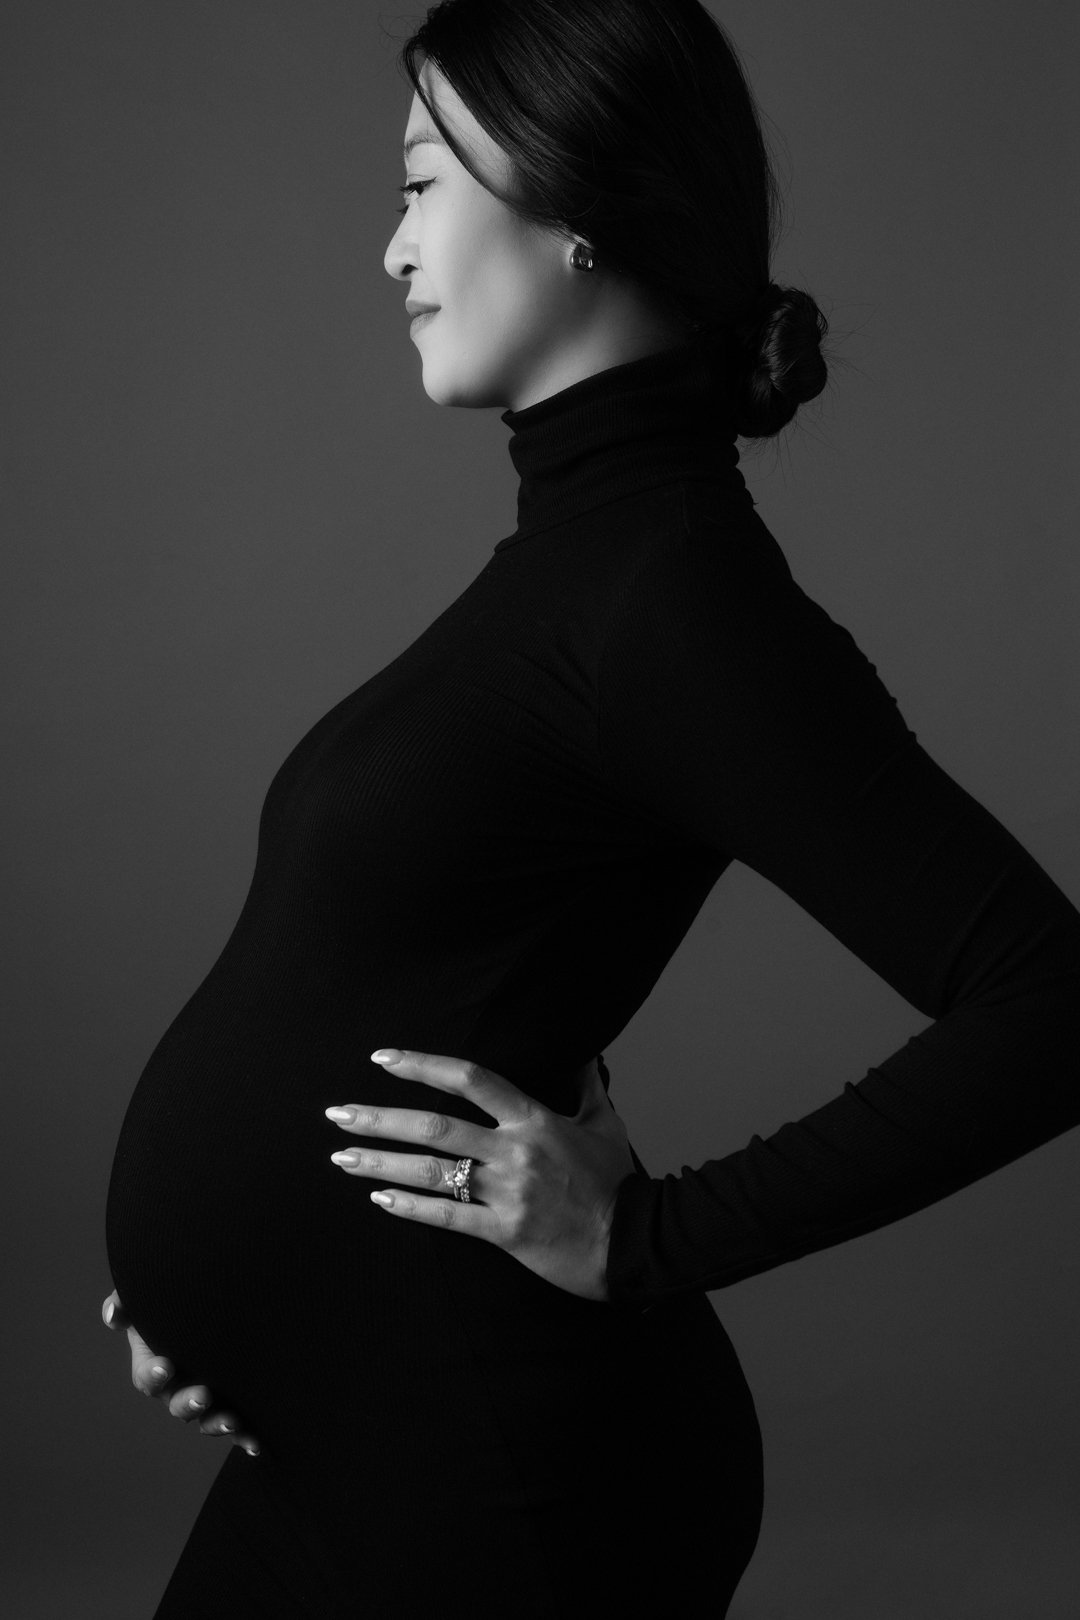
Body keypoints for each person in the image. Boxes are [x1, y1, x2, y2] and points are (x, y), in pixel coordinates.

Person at [101, 1, 1080, 1614]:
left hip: (515, 1466)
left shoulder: (675, 600)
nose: (392, 247)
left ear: (575, 205)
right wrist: (225, 1293)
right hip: (366, 1427)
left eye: (422, 184)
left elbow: (1051, 1001)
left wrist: (646, 1237)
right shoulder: (573, 570)